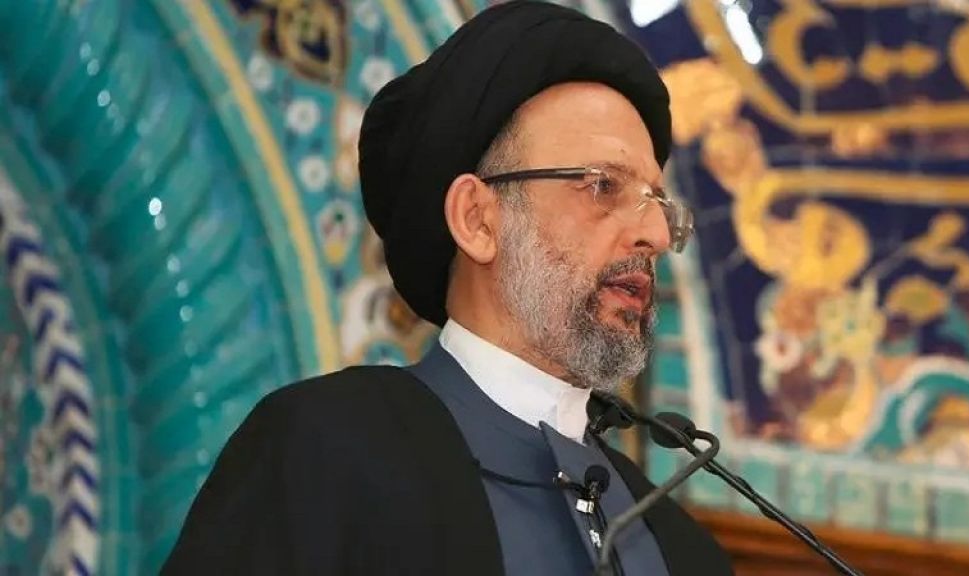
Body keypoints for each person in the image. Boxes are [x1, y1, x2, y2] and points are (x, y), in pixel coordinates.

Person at [162, 2, 733, 574]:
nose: (657, 235)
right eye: (604, 186)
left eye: (659, 203)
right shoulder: (323, 453)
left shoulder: (682, 550)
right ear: (477, 220)